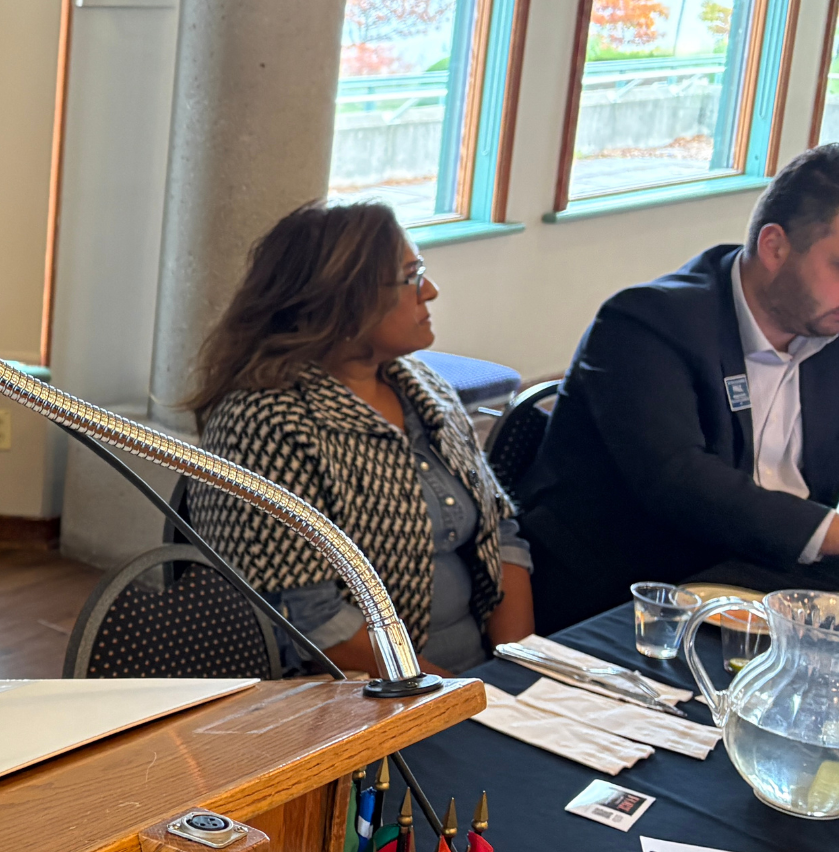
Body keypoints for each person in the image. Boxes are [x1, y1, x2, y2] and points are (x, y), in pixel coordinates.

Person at [178, 201, 534, 676]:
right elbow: (308, 620)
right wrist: (460, 698)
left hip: (477, 679)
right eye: (411, 277)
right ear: (344, 298)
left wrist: (518, 670)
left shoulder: (424, 386)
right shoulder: (264, 423)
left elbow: (500, 535)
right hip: (356, 696)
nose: (430, 290)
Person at [520, 145, 839, 632]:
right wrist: (830, 532)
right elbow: (680, 480)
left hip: (771, 577)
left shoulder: (826, 326)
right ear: (775, 247)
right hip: (636, 600)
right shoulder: (644, 324)